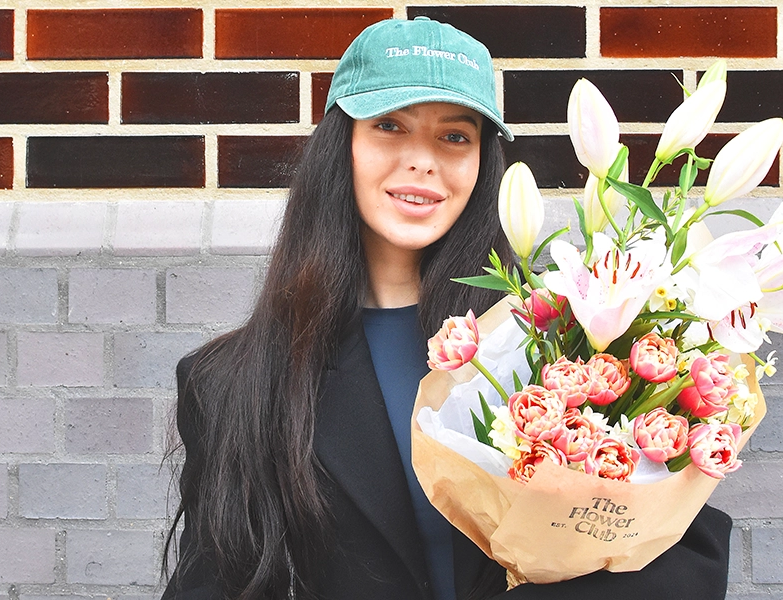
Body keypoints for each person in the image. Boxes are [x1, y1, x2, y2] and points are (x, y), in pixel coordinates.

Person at [161, 16, 732, 600]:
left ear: (484, 161)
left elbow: (682, 556)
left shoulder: (563, 343)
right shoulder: (232, 384)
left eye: (454, 136)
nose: (423, 161)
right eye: (388, 126)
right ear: (342, 147)